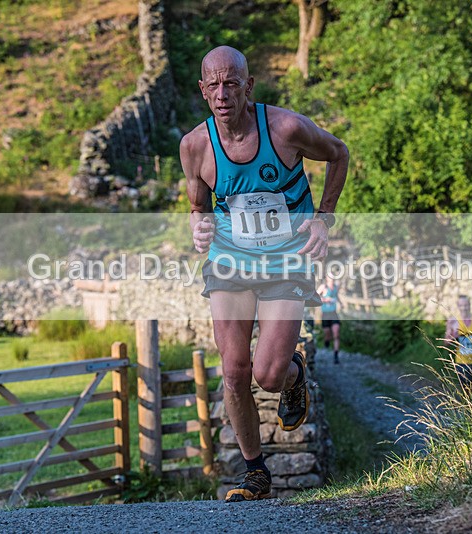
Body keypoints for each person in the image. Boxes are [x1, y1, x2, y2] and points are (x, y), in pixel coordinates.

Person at [180, 46, 349, 502]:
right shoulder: (195, 146)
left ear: (248, 86)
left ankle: (293, 374)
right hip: (230, 262)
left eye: (231, 83)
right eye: (213, 85)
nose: (222, 94)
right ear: (202, 90)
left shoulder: (285, 129)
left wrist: (323, 218)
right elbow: (198, 207)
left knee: (268, 375)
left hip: (285, 261)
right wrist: (199, 228)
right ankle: (255, 471)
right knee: (234, 371)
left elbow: (339, 153)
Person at [444, 295, 472, 393]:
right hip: (461, 361)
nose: (464, 308)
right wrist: (453, 336)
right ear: (458, 306)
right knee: (467, 390)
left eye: (466, 305)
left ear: (469, 305)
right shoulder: (453, 321)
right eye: (461, 305)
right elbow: (446, 343)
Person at [317, 275, 341, 364]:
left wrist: (341, 303)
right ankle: (326, 341)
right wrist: (325, 299)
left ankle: (336, 356)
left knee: (336, 334)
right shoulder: (323, 287)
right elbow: (315, 297)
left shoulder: (336, 287)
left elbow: (336, 296)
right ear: (327, 278)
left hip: (334, 313)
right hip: (325, 314)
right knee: (327, 333)